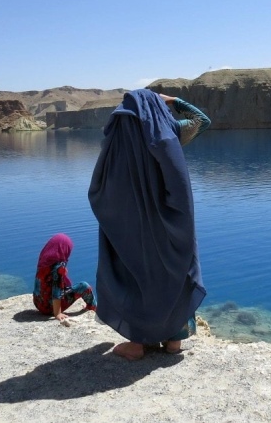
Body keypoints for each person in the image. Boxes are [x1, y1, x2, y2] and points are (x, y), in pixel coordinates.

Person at [88, 88, 211, 360]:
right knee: (175, 270)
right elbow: (202, 121)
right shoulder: (170, 132)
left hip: (131, 226)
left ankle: (138, 343)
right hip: (169, 222)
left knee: (135, 275)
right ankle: (174, 342)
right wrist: (171, 100)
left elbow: (101, 186)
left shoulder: (117, 138)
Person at [33, 233, 97, 321]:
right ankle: (92, 308)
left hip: (39, 303)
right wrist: (57, 313)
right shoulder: (58, 268)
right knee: (84, 286)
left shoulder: (44, 261)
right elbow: (57, 291)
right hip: (49, 308)